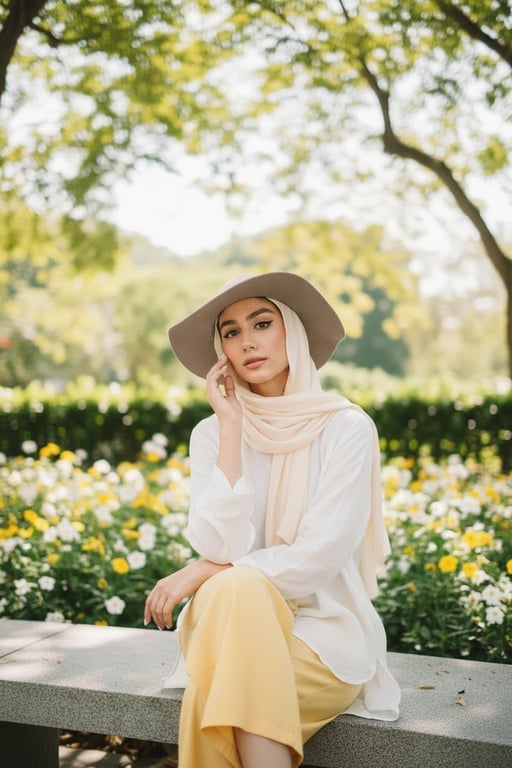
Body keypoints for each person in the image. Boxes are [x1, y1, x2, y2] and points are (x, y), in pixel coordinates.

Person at [144, 271, 400, 768]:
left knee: (221, 687)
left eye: (262, 323)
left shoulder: (346, 428)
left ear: (293, 332)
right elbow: (221, 545)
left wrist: (205, 570)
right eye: (231, 332)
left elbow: (315, 560)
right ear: (221, 351)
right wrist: (232, 428)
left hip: (323, 637)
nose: (247, 342)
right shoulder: (211, 433)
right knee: (236, 592)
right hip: (228, 620)